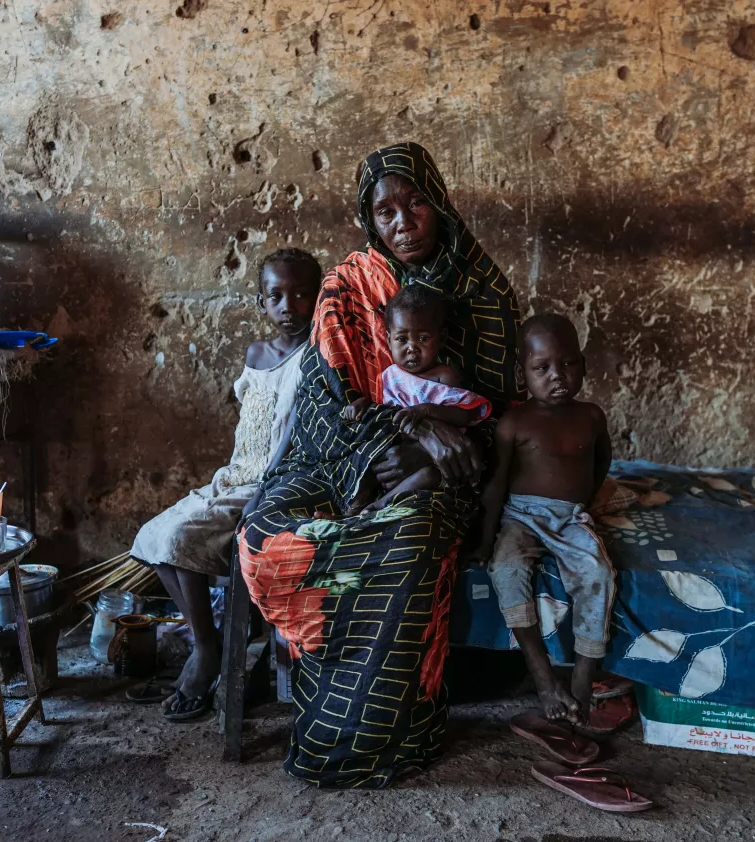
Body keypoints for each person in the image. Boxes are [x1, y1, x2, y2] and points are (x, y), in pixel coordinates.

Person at [237, 142, 522, 788]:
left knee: (407, 537)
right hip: (346, 454)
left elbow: (502, 405)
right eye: (385, 210)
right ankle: (320, 681)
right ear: (370, 220)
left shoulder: (481, 290)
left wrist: (438, 441)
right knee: (267, 532)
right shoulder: (347, 287)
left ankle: (378, 733)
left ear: (438, 200)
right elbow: (324, 398)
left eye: (414, 201)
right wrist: (394, 433)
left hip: (443, 465)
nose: (403, 221)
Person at [131, 248, 321, 721]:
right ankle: (210, 637)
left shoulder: (316, 356)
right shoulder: (256, 354)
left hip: (273, 485)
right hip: (232, 476)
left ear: (319, 300)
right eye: (275, 296)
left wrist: (262, 491)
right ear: (260, 304)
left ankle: (205, 651)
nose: (288, 306)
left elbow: (293, 432)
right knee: (150, 538)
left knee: (179, 540)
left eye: (301, 295)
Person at [469, 314, 615, 723]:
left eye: (568, 364)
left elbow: (602, 459)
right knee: (506, 569)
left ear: (583, 365)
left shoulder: (590, 416)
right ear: (521, 373)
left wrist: (583, 500)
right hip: (521, 516)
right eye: (542, 367)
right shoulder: (516, 423)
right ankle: (543, 675)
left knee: (598, 573)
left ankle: (584, 677)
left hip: (571, 517)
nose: (558, 376)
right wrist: (485, 538)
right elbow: (495, 485)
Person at [344, 284, 491, 513]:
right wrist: (362, 405)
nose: (412, 348)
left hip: (426, 459)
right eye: (402, 340)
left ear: (440, 339)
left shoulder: (443, 376)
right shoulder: (389, 376)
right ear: (388, 338)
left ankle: (380, 505)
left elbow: (465, 414)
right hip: (390, 453)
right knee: (362, 457)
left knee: (429, 475)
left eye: (423, 338)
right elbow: (381, 409)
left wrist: (427, 410)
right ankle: (353, 509)